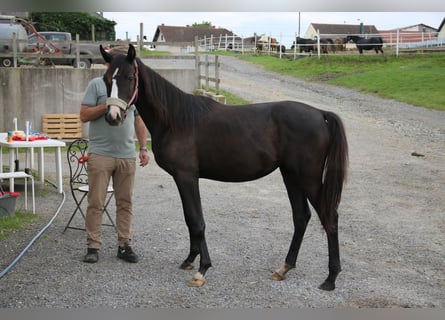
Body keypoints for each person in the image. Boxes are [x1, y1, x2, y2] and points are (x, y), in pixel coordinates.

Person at [79, 48, 149, 264]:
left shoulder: (130, 85)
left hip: (127, 155)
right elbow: (84, 115)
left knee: (125, 202)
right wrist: (107, 104)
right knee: (96, 202)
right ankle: (93, 246)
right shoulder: (96, 85)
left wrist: (144, 148)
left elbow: (138, 120)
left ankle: (124, 245)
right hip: (101, 154)